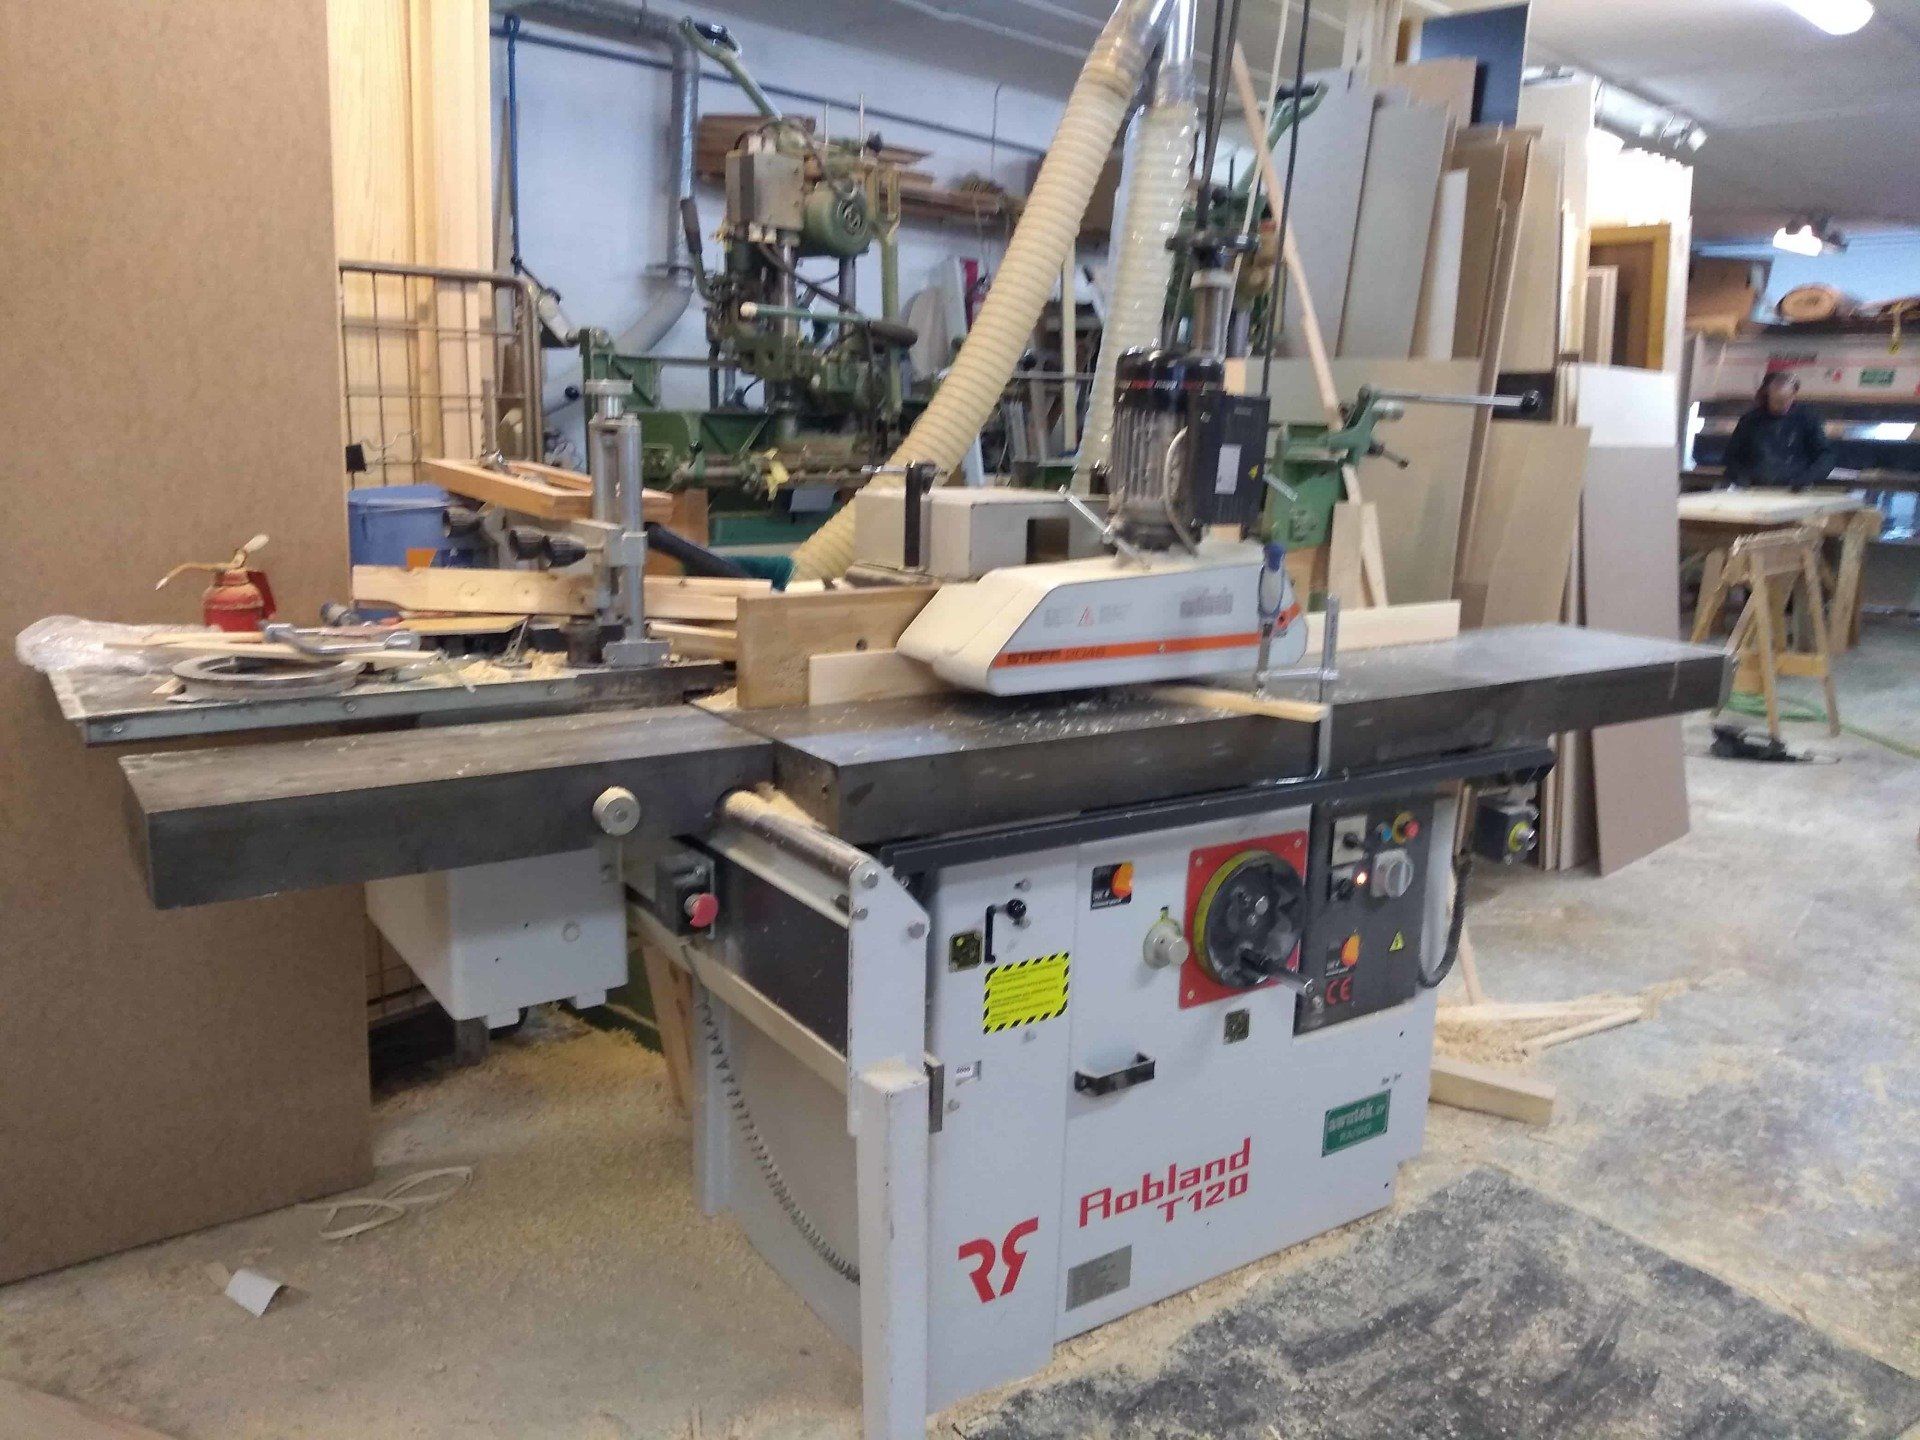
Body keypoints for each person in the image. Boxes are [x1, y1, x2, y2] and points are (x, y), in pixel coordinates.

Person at [1722, 372, 1836, 490]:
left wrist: (1808, 477)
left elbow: (1826, 456)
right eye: (1775, 400)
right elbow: (1732, 457)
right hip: (1756, 487)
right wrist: (1742, 478)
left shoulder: (1807, 419)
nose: (1778, 405)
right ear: (1768, 394)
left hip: (1795, 488)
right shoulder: (1750, 421)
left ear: (1793, 396)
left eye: (1783, 401)